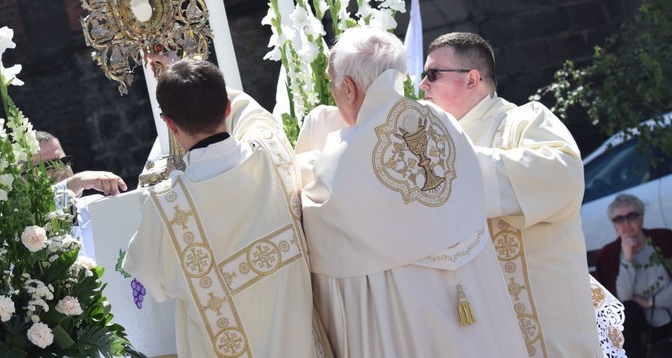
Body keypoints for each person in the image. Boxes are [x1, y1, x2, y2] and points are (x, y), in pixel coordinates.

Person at [298, 27, 527, 357]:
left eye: (334, 87)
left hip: (406, 317)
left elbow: (319, 223)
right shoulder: (443, 121)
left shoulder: (341, 159)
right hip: (473, 301)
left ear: (348, 88)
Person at [123, 59, 331, 358]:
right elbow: (252, 112)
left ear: (169, 124)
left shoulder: (166, 208)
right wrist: (187, 71)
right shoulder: (272, 154)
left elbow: (151, 280)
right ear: (227, 108)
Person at [420, 32, 601, 357]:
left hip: (545, 321)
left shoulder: (523, 120)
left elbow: (564, 175)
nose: (422, 85)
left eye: (433, 74)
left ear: (472, 79)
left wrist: (454, 169)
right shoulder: (436, 143)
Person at [595, 194, 672, 357]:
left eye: (632, 216)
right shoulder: (608, 256)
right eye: (619, 219)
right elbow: (623, 299)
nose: (626, 224)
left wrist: (650, 302)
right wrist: (628, 258)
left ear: (642, 217)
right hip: (646, 330)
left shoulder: (663, 239)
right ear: (614, 225)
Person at [33, 131, 126, 198]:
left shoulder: (95, 207)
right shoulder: (20, 221)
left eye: (63, 161)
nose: (59, 171)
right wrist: (75, 183)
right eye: (46, 166)